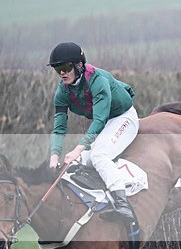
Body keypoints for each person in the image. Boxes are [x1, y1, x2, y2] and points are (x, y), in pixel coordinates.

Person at [47, 42, 139, 225]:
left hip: (123, 118)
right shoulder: (62, 92)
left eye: (65, 68)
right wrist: (54, 156)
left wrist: (77, 149)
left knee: (99, 155)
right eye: (58, 69)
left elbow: (99, 121)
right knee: (76, 162)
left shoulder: (97, 81)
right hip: (106, 123)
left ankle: (123, 206)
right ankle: (100, 201)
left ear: (79, 65)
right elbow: (59, 127)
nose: (62, 73)